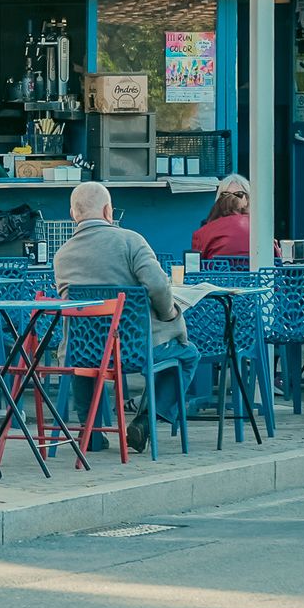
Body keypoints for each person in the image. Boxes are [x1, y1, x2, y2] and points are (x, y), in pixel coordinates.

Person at [54, 181, 201, 452]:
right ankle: (144, 421)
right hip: (133, 351)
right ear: (109, 210)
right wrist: (169, 315)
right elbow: (158, 286)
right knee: (188, 353)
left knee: (87, 352)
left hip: (84, 352)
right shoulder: (131, 241)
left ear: (73, 214)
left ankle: (91, 435)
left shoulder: (62, 255)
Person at [190, 173, 260, 260]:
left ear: (248, 199)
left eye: (238, 194)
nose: (231, 199)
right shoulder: (260, 227)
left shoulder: (260, 227)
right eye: (226, 195)